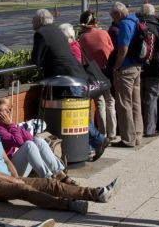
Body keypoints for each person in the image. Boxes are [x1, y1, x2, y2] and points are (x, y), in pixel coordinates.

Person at [0, 100, 118, 215]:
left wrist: (15, 175)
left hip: (6, 178)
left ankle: (96, 193)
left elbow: (6, 159)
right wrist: (12, 180)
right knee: (25, 189)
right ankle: (67, 204)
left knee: (48, 184)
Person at [30, 8, 107, 159]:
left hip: (66, 79)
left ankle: (99, 140)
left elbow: (36, 60)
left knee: (76, 114)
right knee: (80, 112)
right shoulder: (57, 31)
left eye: (33, 20)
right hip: (76, 75)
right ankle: (89, 148)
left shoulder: (41, 33)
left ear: (39, 20)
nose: (32, 22)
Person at [0, 96, 74, 181]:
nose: (9, 112)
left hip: (18, 164)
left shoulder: (10, 126)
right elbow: (19, 141)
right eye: (5, 111)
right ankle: (47, 179)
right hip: (9, 170)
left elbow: (30, 138)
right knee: (29, 145)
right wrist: (10, 124)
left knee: (38, 140)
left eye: (9, 110)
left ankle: (59, 174)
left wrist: (12, 125)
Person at [78, 10, 117, 142]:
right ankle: (112, 133)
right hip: (107, 69)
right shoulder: (104, 33)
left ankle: (103, 133)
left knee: (100, 103)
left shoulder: (83, 38)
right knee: (110, 101)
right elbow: (112, 49)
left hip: (94, 72)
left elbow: (83, 57)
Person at [109, 1, 144, 147]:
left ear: (118, 14)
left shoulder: (124, 24)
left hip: (126, 68)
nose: (114, 21)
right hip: (137, 66)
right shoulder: (136, 20)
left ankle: (128, 139)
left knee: (124, 104)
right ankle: (137, 135)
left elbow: (123, 49)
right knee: (136, 103)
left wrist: (116, 67)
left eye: (113, 17)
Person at [137, 4, 159, 137]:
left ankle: (139, 126)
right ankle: (149, 128)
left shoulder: (140, 25)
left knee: (138, 98)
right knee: (151, 98)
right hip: (157, 67)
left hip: (140, 65)